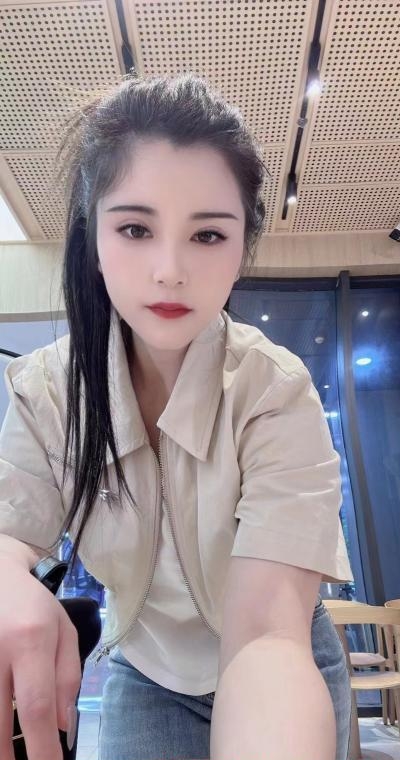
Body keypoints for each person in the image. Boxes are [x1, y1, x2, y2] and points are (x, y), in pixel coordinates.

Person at [0, 71, 354, 760]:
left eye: (207, 235)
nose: (169, 269)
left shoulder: (274, 389)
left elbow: (268, 633)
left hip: (282, 658)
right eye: (135, 228)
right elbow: (9, 532)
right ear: (92, 239)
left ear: (242, 249)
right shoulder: (46, 390)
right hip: (149, 669)